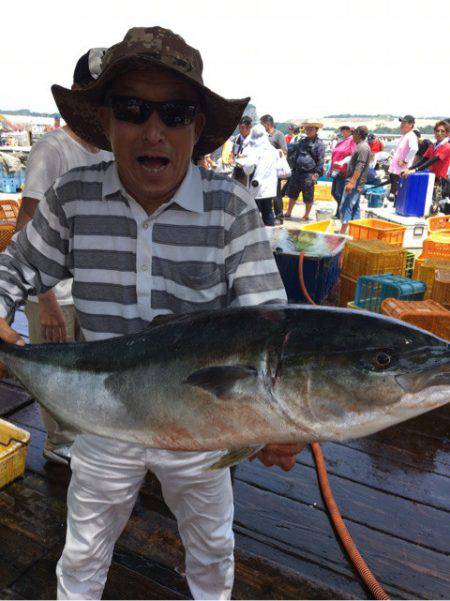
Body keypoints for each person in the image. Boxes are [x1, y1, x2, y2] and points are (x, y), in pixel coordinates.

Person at [0, 26, 303, 600]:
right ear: (106, 123)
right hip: (107, 414)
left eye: (176, 111)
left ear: (197, 129)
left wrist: (279, 418)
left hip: (204, 427)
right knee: (85, 546)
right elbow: (12, 270)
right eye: (133, 109)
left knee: (212, 544)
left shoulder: (230, 207)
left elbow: (270, 327)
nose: (154, 130)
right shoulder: (74, 197)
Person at [15, 47, 113, 466]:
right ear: (76, 95)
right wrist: (47, 301)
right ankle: (58, 447)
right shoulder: (52, 151)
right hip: (54, 293)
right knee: (55, 377)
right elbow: (25, 228)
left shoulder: (111, 152)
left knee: (90, 379)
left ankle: (84, 443)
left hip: (94, 292)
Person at [402, 120, 450, 212]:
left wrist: (415, 170)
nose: (439, 133)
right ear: (434, 132)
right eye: (437, 131)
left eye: (442, 131)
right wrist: (408, 169)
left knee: (435, 206)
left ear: (447, 133)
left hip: (440, 181)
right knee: (426, 204)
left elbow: (432, 161)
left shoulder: (447, 147)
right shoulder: (432, 146)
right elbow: (423, 160)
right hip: (430, 178)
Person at [235, 124, 278, 226]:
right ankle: (270, 235)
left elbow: (248, 168)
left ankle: (255, 236)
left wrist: (242, 161)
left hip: (256, 186)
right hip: (269, 187)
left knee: (253, 212)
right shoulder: (272, 149)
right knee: (268, 211)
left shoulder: (253, 148)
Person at [284, 119, 325, 221]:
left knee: (308, 196)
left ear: (316, 130)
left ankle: (306, 215)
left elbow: (321, 160)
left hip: (309, 173)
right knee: (292, 194)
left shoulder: (319, 144)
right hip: (297, 172)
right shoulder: (302, 141)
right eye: (307, 129)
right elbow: (295, 154)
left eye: (311, 129)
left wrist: (316, 174)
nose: (308, 131)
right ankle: (289, 212)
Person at [339, 125, 371, 234]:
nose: (352, 136)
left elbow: (360, 166)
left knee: (346, 206)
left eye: (354, 133)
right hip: (355, 182)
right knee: (355, 208)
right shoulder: (360, 146)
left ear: (358, 134)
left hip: (355, 183)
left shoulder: (363, 147)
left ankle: (342, 233)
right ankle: (356, 233)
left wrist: (352, 182)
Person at [260, 114, 287, 223]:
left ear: (268, 124)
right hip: (263, 170)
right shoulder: (263, 136)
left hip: (274, 170)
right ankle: (267, 215)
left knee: (276, 195)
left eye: (262, 124)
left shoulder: (278, 135)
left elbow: (284, 151)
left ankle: (279, 217)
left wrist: (273, 153)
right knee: (265, 194)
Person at [388, 114, 418, 201]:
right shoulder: (405, 136)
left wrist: (405, 161)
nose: (401, 125)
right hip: (396, 170)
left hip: (401, 170)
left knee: (399, 193)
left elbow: (414, 149)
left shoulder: (411, 135)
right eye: (402, 123)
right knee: (394, 193)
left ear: (410, 125)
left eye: (404, 123)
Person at [328, 125, 356, 217]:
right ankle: (340, 211)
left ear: (350, 131)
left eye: (346, 129)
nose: (344, 131)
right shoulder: (340, 141)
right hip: (336, 171)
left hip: (344, 171)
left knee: (338, 193)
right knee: (334, 192)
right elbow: (333, 156)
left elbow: (352, 155)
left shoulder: (352, 141)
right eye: (342, 129)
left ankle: (342, 212)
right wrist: (330, 170)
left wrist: (343, 162)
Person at [231, 115, 252, 185]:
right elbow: (232, 153)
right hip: (236, 170)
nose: (240, 130)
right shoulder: (236, 139)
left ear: (249, 127)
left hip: (249, 173)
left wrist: (246, 157)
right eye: (239, 127)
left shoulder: (254, 140)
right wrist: (233, 157)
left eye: (242, 127)